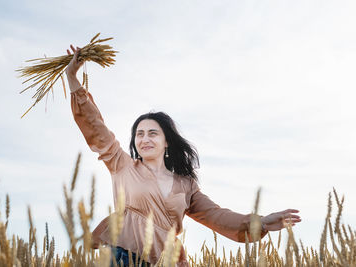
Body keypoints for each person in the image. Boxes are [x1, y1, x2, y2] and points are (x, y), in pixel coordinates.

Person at [65, 45, 301, 267]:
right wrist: (73, 80)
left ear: (167, 141)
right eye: (140, 134)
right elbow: (96, 129)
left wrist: (262, 221)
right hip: (121, 256)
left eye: (153, 133)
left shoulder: (186, 185)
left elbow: (217, 216)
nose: (145, 139)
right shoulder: (123, 166)